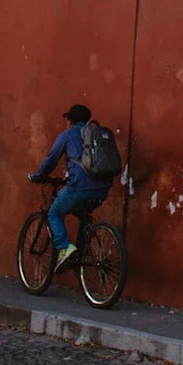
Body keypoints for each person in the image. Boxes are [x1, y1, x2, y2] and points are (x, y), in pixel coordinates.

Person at [30, 102, 113, 261]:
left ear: (71, 120)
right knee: (83, 214)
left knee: (54, 213)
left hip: (80, 187)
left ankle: (65, 248)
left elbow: (51, 159)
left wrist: (37, 175)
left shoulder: (67, 135)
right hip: (103, 189)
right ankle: (81, 255)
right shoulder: (95, 133)